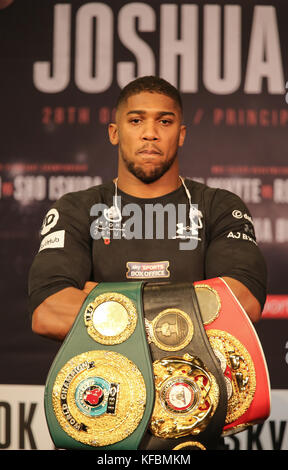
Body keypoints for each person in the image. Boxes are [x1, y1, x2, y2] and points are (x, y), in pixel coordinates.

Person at [28, 76, 267, 448]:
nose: (150, 134)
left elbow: (241, 305)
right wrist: (188, 303)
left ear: (182, 134)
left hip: (194, 429)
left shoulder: (220, 207)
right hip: (101, 422)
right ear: (114, 131)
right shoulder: (76, 210)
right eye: (136, 120)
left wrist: (101, 300)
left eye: (165, 121)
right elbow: (49, 311)